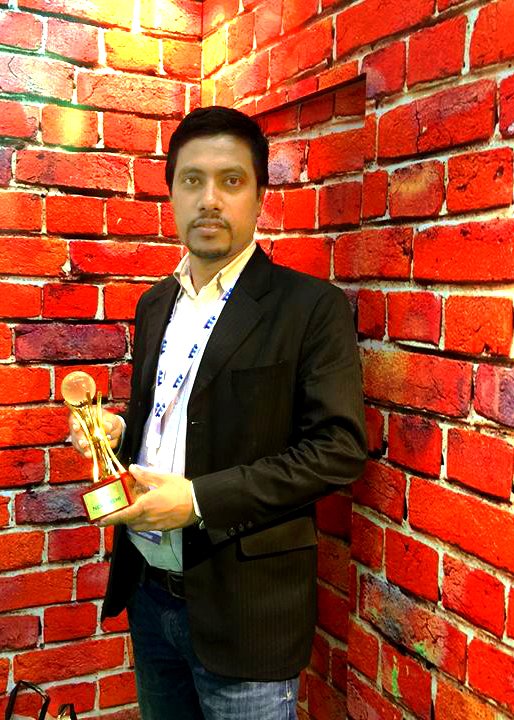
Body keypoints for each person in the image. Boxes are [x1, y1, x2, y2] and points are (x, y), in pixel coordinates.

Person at [69, 106, 367, 720]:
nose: (210, 199)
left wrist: (198, 500)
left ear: (260, 197)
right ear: (171, 194)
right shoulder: (155, 303)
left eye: (231, 180)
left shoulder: (310, 307)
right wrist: (117, 433)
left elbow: (338, 450)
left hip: (245, 611)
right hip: (148, 590)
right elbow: (167, 418)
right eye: (192, 180)